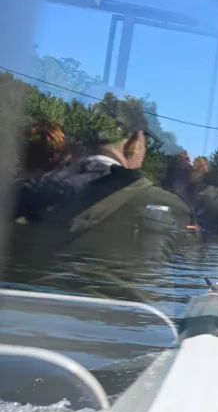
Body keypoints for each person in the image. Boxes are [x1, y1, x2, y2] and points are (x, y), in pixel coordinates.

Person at [8, 93, 195, 300]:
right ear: (134, 143)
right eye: (145, 145)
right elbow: (184, 293)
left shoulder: (17, 196)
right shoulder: (167, 206)